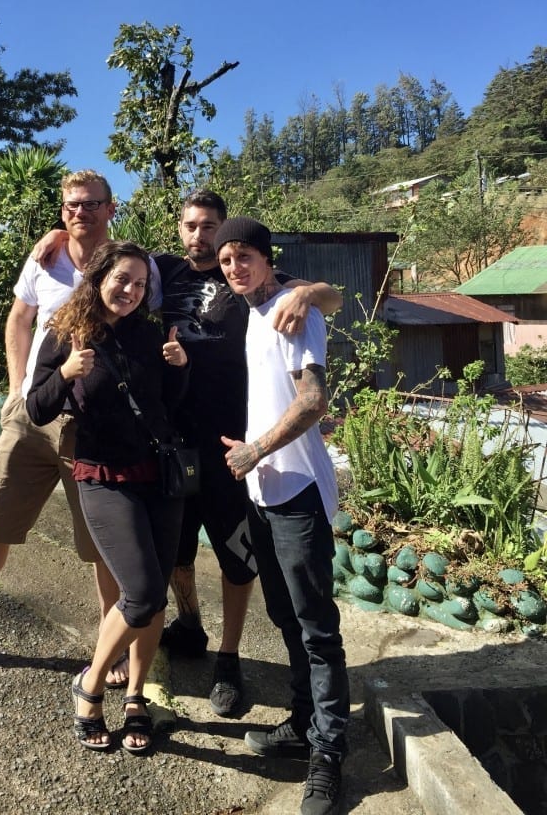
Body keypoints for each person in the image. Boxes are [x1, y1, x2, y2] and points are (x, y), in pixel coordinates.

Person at [0, 170, 155, 688]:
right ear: (62, 212)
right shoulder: (46, 257)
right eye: (70, 206)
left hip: (94, 429)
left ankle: (111, 651)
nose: (79, 213)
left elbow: (151, 328)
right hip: (35, 414)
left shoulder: (134, 264)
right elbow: (19, 318)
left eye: (90, 204)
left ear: (111, 208)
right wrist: (17, 388)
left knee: (102, 547)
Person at [154, 190, 342, 717]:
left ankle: (229, 659)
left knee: (239, 560)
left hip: (236, 448)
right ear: (179, 228)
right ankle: (189, 622)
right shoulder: (163, 272)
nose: (201, 236)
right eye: (191, 225)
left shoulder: (254, 281)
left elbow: (328, 298)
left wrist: (312, 294)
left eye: (209, 226)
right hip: (174, 443)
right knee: (178, 554)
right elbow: (105, 269)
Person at [26, 240, 188, 754]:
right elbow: (36, 409)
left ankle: (137, 694)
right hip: (102, 476)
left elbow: (167, 406)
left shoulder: (151, 333)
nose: (131, 290)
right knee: (139, 592)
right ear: (98, 277)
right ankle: (91, 686)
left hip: (159, 477)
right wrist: (68, 372)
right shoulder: (66, 332)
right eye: (122, 279)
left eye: (140, 283)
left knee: (156, 591)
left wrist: (180, 367)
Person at [214, 217, 349, 815]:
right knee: (285, 616)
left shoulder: (296, 314)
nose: (235, 267)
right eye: (226, 260)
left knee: (316, 627)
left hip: (295, 491)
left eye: (244, 256)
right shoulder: (253, 310)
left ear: (268, 260)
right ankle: (302, 724)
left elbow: (313, 401)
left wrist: (256, 449)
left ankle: (329, 757)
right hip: (263, 495)